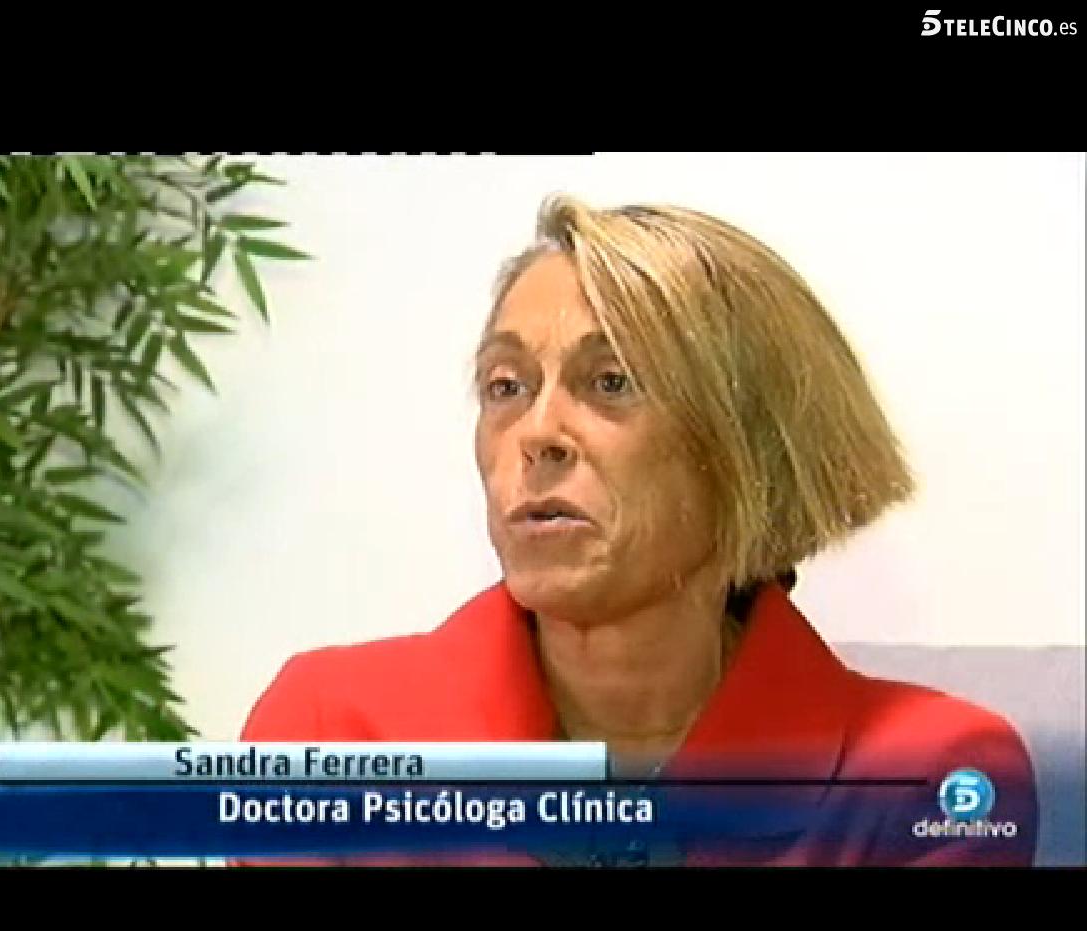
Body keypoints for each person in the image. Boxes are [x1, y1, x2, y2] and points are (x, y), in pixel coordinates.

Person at [239, 195, 1038, 866]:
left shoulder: (933, 778)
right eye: (506, 385)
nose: (536, 432)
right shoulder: (328, 735)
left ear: (750, 449)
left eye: (611, 380)